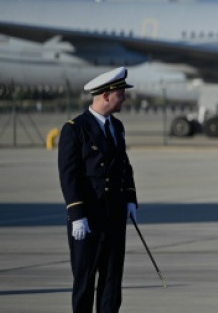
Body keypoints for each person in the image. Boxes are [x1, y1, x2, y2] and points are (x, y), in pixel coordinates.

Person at [58, 66, 138, 313]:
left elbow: (124, 165)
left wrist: (130, 198)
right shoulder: (75, 129)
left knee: (112, 281)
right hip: (88, 217)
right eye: (120, 94)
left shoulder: (117, 127)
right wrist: (77, 214)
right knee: (84, 280)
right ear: (105, 96)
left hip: (113, 215)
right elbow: (69, 175)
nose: (124, 98)